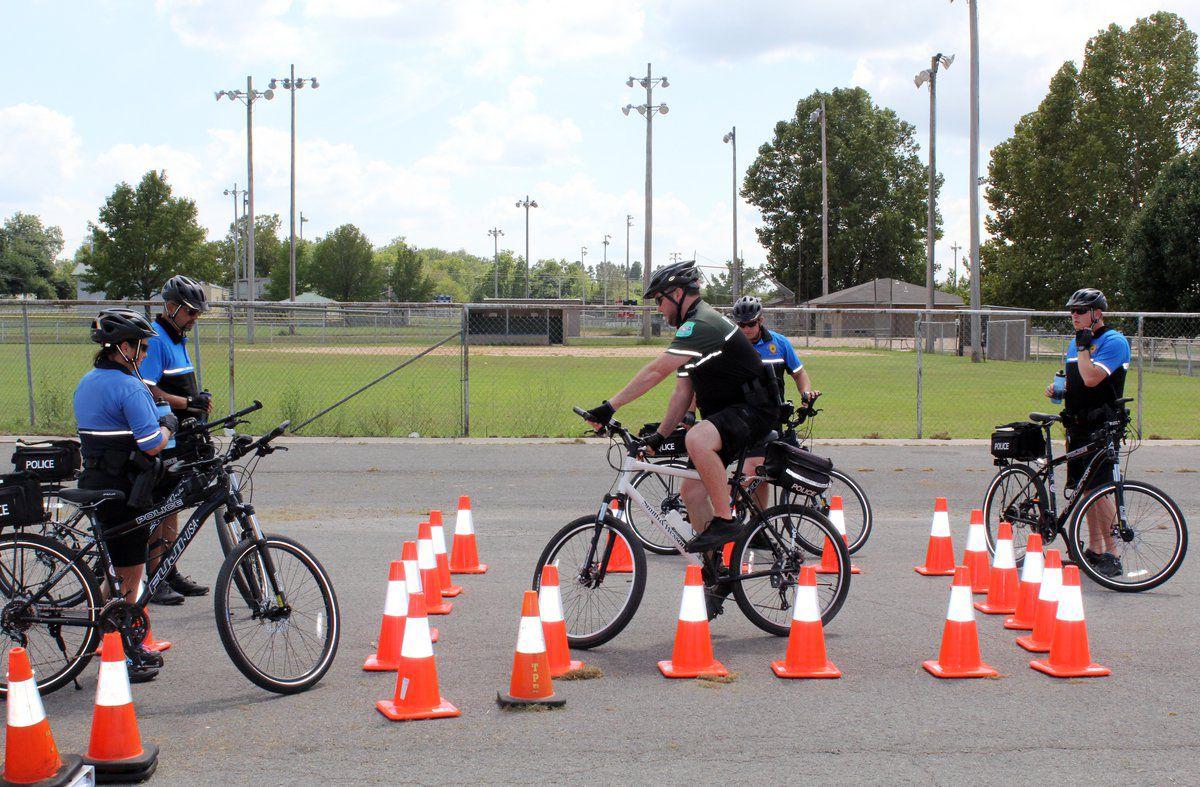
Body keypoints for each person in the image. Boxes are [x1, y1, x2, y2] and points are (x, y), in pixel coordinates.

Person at [582, 261, 780, 556]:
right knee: (691, 493)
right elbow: (682, 391)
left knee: (697, 438)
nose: (660, 309)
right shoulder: (693, 330)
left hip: (755, 409)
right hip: (730, 415)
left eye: (660, 300)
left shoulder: (701, 323)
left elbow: (656, 371)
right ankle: (716, 575)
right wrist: (660, 436)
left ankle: (726, 520)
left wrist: (610, 406)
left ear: (677, 293)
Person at [74, 309, 178, 680]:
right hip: (125, 490)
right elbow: (150, 444)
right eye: (143, 347)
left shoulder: (88, 381)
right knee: (131, 573)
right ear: (124, 348)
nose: (147, 354)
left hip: (95, 481)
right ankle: (124, 652)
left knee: (117, 572)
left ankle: (107, 634)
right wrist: (167, 424)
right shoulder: (130, 386)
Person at [1044, 288, 1131, 578]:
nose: (1075, 316)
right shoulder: (1076, 344)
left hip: (1101, 426)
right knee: (1085, 489)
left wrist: (1084, 349)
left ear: (1098, 314)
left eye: (1080, 311)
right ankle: (1093, 551)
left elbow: (1093, 379)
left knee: (1101, 488)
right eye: (1071, 311)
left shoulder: (1113, 341)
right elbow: (1079, 382)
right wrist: (1061, 390)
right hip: (1076, 424)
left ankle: (1113, 552)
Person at [138, 275, 211, 605]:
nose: (195, 319)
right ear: (171, 307)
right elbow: (148, 389)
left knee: (174, 505)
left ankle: (169, 568)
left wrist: (198, 400)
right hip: (164, 435)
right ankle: (154, 575)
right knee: (160, 506)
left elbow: (180, 387)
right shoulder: (155, 341)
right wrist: (186, 404)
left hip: (183, 434)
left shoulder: (177, 338)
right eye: (191, 312)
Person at [730, 296, 820, 508]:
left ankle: (757, 530)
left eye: (750, 323)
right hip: (744, 419)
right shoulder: (731, 346)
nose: (746, 329)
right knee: (752, 470)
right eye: (741, 324)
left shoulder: (779, 343)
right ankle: (724, 513)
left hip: (773, 417)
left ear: (760, 320)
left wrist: (806, 394)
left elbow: (799, 374)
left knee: (764, 474)